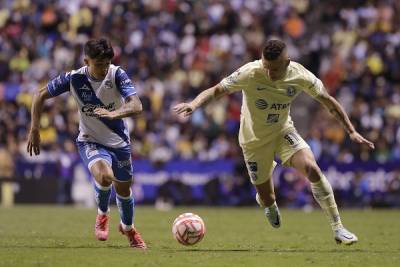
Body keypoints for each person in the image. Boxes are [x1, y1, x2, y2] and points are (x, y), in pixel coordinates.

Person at [173, 39, 375, 245]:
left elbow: (328, 102)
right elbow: (216, 90)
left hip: (282, 131)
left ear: (287, 62)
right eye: (266, 67)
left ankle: (338, 228)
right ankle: (267, 203)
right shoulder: (250, 72)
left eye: (274, 69)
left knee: (312, 169)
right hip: (253, 141)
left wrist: (351, 131)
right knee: (268, 197)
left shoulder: (301, 75)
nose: (269, 73)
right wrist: (194, 104)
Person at [27, 38, 147, 249]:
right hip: (90, 140)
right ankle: (102, 214)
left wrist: (114, 113)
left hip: (119, 142)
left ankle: (128, 228)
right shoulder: (74, 79)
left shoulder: (117, 74)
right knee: (105, 176)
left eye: (107, 63)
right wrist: (34, 129)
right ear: (86, 60)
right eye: (98, 64)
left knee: (124, 189)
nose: (103, 69)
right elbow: (39, 95)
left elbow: (137, 106)